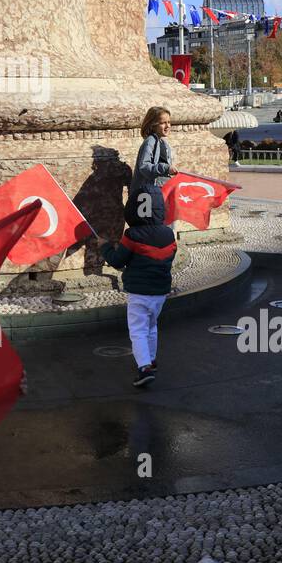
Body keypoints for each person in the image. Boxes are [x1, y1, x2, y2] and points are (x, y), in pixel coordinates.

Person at [100, 188, 176, 388]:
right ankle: (151, 359)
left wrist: (105, 247)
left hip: (139, 293)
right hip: (160, 292)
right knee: (152, 326)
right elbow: (169, 258)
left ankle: (144, 368)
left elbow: (117, 261)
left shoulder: (132, 234)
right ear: (160, 208)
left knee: (138, 330)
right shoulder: (168, 234)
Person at [131, 106, 176, 195]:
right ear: (153, 125)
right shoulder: (150, 141)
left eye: (169, 122)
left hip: (159, 191)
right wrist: (166, 168)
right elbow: (144, 166)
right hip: (148, 194)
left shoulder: (162, 142)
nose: (168, 126)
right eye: (163, 123)